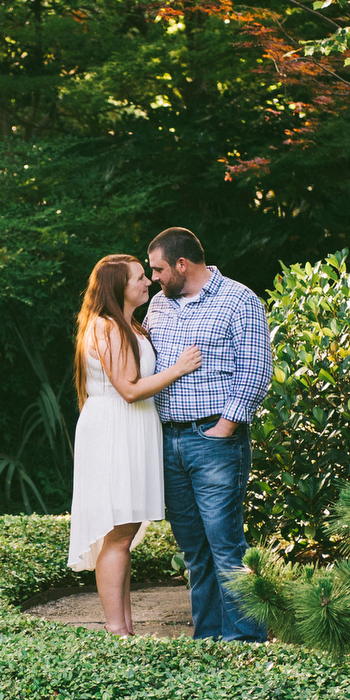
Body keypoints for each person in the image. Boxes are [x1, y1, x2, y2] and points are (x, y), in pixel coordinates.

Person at [144, 227, 274, 642]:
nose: (154, 278)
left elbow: (256, 370)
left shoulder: (239, 300)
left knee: (226, 547)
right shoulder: (158, 306)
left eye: (159, 269)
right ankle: (209, 642)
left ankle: (246, 645)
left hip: (214, 440)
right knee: (194, 554)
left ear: (182, 264)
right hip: (169, 443)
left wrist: (225, 427)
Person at [68, 254, 203, 635]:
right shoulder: (107, 327)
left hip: (132, 429)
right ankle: (117, 630)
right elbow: (128, 390)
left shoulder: (130, 325)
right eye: (140, 278)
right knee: (118, 534)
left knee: (123, 535)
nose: (148, 282)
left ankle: (125, 627)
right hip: (114, 429)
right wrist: (178, 369)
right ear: (118, 288)